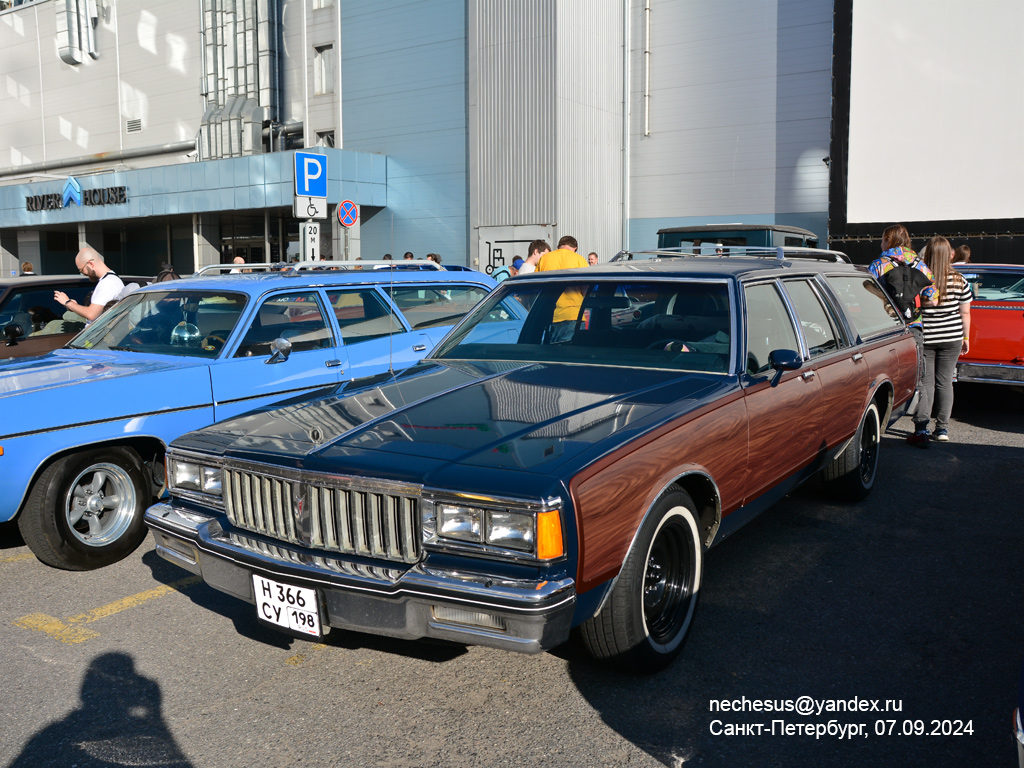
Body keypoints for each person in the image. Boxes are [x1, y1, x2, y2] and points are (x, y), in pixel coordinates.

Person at [908, 236, 972, 446]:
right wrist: (965, 337)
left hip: (927, 336)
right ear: (949, 255)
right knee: (945, 383)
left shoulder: (921, 278)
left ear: (928, 254)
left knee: (926, 383)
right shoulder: (959, 279)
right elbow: (965, 313)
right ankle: (942, 428)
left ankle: (921, 428)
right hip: (952, 336)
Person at [53, 247, 125, 326]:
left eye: (81, 270)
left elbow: (91, 314)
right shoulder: (108, 280)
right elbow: (96, 313)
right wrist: (75, 307)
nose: (83, 273)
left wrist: (67, 302)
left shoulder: (109, 282)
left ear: (90, 264)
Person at [537, 235, 588, 342]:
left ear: (559, 246)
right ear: (575, 248)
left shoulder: (545, 259)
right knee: (571, 355)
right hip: (573, 315)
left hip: (549, 315)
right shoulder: (579, 260)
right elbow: (585, 290)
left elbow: (536, 287)